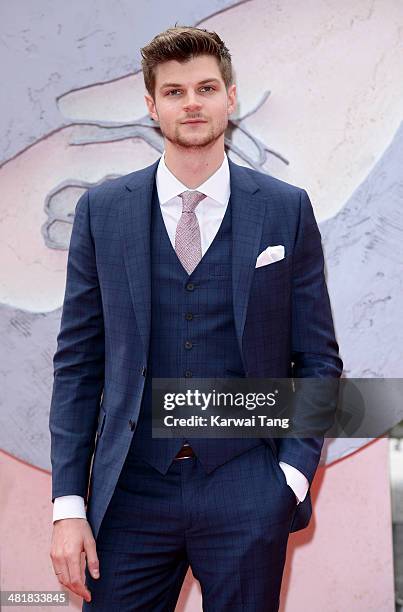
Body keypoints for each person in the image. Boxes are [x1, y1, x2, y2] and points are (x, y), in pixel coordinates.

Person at [49, 25, 343, 611]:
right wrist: (67, 507)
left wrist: (289, 477)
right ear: (151, 104)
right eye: (175, 91)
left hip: (246, 481)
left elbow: (317, 359)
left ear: (230, 97)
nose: (192, 103)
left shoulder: (285, 209)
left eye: (206, 88)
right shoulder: (102, 212)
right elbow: (78, 366)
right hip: (130, 487)